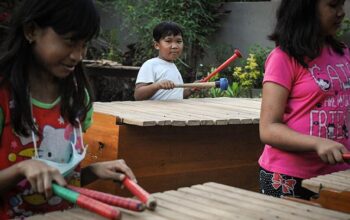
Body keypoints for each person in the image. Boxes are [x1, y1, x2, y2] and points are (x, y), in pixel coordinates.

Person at [0, 0, 136, 219]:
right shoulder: (4, 97)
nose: (77, 55)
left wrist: (93, 171)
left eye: (84, 45)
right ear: (31, 31)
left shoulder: (77, 98)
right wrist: (21, 169)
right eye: (70, 41)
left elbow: (59, 185)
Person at [259, 0, 350, 200]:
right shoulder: (283, 57)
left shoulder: (342, 53)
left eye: (342, 4)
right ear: (305, 9)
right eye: (333, 5)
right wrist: (318, 143)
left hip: (338, 176)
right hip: (288, 178)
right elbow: (268, 128)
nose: (341, 13)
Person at [134, 21, 193, 100]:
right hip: (157, 112)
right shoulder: (150, 65)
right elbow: (138, 95)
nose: (175, 46)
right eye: (168, 41)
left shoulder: (173, 66)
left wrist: (191, 89)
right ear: (157, 45)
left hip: (172, 112)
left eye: (178, 41)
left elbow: (174, 96)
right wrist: (157, 85)